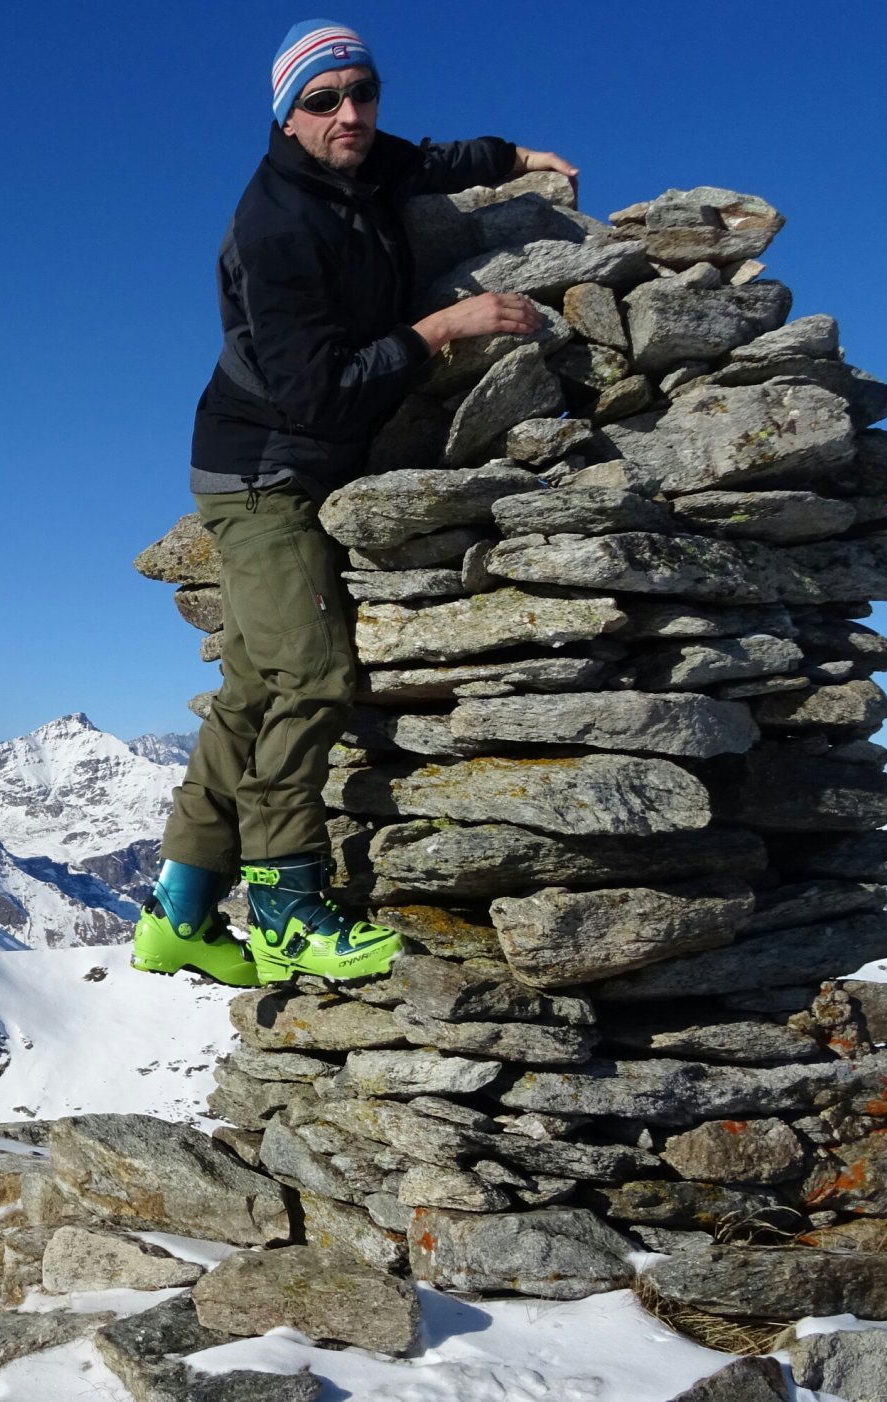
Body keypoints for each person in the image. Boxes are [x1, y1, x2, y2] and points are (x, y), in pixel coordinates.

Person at [132, 20, 578, 987]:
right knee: (311, 677)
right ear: (286, 117)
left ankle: (181, 911)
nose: (350, 114)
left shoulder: (364, 163)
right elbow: (316, 392)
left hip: (289, 464)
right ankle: (288, 907)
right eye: (323, 101)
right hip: (262, 472)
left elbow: (432, 161)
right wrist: (439, 329)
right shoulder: (275, 225)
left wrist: (514, 158)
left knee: (252, 688)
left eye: (362, 92)